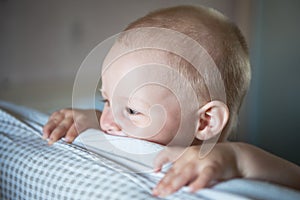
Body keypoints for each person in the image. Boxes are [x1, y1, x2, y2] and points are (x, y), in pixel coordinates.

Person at [42, 5, 300, 197]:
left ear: (204, 121)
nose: (109, 121)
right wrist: (93, 118)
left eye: (132, 110)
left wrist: (237, 159)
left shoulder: (223, 162)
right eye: (106, 101)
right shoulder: (120, 129)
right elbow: (111, 123)